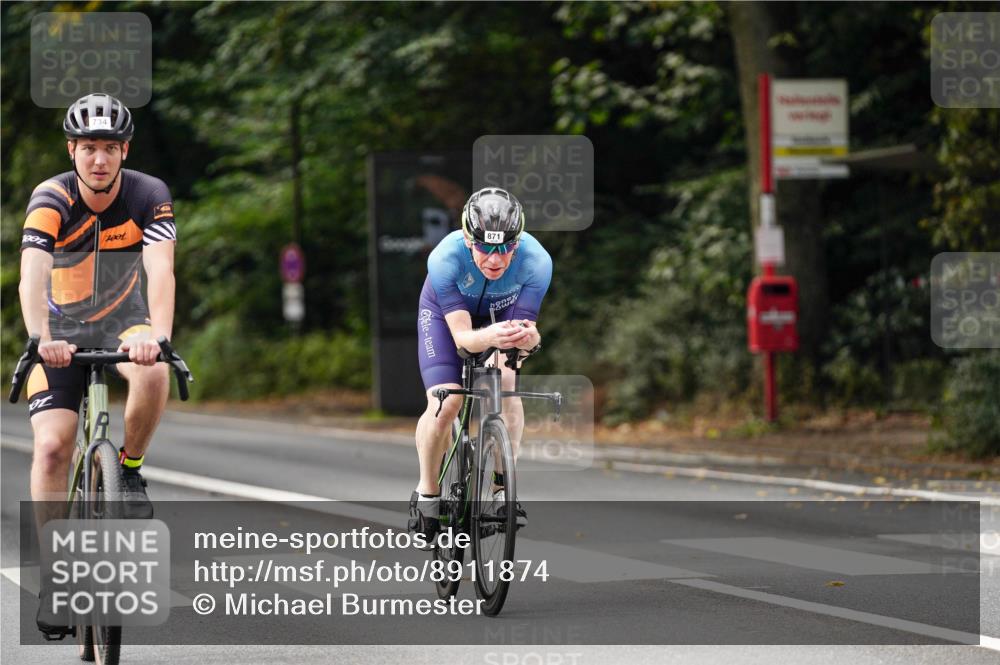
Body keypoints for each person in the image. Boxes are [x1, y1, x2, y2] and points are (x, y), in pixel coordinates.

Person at [20, 92, 177, 635]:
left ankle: (128, 472)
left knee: (154, 371)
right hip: (59, 330)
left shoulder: (148, 194)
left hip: (124, 321)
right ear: (72, 150)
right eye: (89, 147)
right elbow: (32, 275)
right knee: (52, 446)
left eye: (109, 147)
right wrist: (40, 337)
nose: (99, 159)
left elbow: (161, 270)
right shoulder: (51, 197)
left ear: (124, 150)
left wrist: (159, 336)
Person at [410, 187, 552, 541]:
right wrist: (490, 337)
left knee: (506, 385)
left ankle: (504, 491)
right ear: (467, 239)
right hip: (446, 319)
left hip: (500, 314)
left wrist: (530, 340)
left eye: (505, 247)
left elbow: (527, 333)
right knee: (447, 401)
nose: (495, 258)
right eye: (485, 247)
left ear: (517, 243)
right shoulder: (445, 258)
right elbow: (463, 339)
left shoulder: (537, 262)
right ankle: (427, 494)